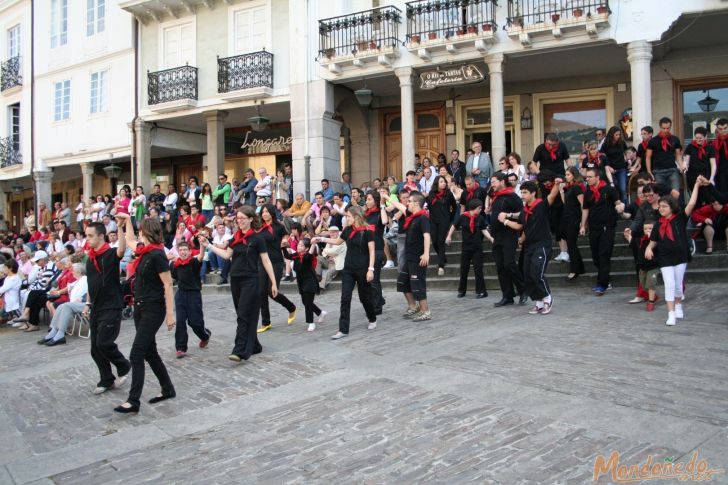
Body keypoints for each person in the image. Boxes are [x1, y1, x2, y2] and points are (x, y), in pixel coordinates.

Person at [113, 216, 175, 414]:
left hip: (153, 308)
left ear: (147, 232)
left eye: (141, 230)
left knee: (136, 353)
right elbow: (130, 240)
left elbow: (168, 284)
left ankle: (133, 400)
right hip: (139, 307)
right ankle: (168, 389)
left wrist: (170, 314)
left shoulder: (157, 255)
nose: (138, 234)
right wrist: (126, 222)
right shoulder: (143, 250)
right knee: (150, 352)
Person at [200, 206, 278, 361]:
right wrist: (208, 245)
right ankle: (254, 345)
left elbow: (266, 260)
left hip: (251, 279)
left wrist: (273, 282)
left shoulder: (257, 238)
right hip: (235, 280)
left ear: (250, 219)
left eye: (243, 218)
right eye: (238, 218)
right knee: (243, 313)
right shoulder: (235, 237)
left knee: (243, 314)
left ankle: (240, 349)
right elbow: (226, 254)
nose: (240, 221)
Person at [645, 177, 703, 326]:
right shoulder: (658, 224)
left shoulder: (680, 218)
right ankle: (670, 313)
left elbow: (691, 203)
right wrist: (649, 248)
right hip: (664, 258)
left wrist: (696, 185)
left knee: (677, 285)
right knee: (669, 284)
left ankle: (678, 304)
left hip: (680, 256)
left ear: (671, 207)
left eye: (664, 206)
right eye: (660, 206)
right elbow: (653, 241)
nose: (661, 208)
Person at [83, 216, 131, 395]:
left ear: (101, 236)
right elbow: (91, 284)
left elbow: (121, 249)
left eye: (90, 236)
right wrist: (88, 303)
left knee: (104, 343)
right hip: (96, 307)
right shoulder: (90, 259)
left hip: (111, 306)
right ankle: (107, 380)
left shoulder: (110, 254)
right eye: (86, 236)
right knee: (95, 349)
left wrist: (120, 228)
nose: (87, 239)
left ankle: (123, 365)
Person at [315, 205, 377, 339]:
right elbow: (337, 241)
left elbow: (372, 251)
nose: (346, 218)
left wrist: (370, 269)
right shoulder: (348, 229)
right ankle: (343, 329)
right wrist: (321, 239)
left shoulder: (367, 230)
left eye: (348, 216)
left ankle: (372, 318)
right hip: (348, 268)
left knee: (364, 297)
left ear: (356, 217)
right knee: (345, 298)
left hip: (363, 268)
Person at [508, 181, 554, 315]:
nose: (522, 195)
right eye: (521, 192)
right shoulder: (524, 210)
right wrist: (520, 239)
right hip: (529, 246)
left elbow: (551, 196)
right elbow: (522, 227)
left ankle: (547, 298)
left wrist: (556, 184)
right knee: (527, 274)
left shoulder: (540, 205)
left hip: (542, 245)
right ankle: (539, 302)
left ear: (533, 193)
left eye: (525, 192)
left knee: (537, 273)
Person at [388, 192, 432, 321]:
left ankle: (426, 311)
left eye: (410, 201)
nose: (407, 203)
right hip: (409, 256)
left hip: (418, 257)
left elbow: (427, 236)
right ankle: (413, 306)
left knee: (418, 283)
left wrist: (426, 253)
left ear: (416, 203)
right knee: (403, 281)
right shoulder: (412, 216)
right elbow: (399, 206)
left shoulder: (423, 218)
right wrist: (386, 198)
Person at [580, 167, 625, 296]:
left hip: (607, 227)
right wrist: (583, 225)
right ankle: (605, 279)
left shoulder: (609, 190)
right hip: (594, 227)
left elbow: (617, 202)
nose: (587, 179)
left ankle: (602, 284)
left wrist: (620, 206)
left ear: (597, 177)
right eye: (586, 177)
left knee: (604, 254)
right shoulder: (588, 192)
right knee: (596, 256)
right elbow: (585, 210)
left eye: (590, 177)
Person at [256, 204, 297, 333]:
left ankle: (291, 307)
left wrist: (284, 241)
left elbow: (286, 236)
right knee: (261, 292)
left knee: (271, 292)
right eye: (263, 212)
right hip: (262, 262)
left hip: (276, 261)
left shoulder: (278, 227)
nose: (264, 214)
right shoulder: (258, 228)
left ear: (272, 213)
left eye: (267, 212)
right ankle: (266, 322)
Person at [490, 172, 526, 307]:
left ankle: (523, 289)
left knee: (509, 263)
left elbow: (522, 214)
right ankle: (507, 295)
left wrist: (508, 216)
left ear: (502, 181)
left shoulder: (512, 196)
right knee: (500, 266)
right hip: (497, 236)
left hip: (509, 235)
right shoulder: (497, 197)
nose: (491, 184)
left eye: (494, 182)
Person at [171, 241, 211, 358]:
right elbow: (172, 278)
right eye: (181, 250)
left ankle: (205, 336)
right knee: (180, 321)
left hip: (194, 295)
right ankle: (181, 348)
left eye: (185, 250)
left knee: (195, 322)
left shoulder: (193, 262)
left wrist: (202, 246)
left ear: (189, 251)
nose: (183, 252)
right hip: (181, 295)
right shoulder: (175, 264)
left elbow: (200, 256)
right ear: (178, 251)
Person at [446, 198, 488, 299]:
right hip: (466, 247)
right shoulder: (463, 217)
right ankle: (462, 291)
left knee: (478, 269)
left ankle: (482, 291)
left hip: (477, 247)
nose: (480, 210)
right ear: (473, 208)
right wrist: (449, 236)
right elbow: (454, 226)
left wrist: (491, 238)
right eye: (479, 208)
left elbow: (484, 230)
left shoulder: (480, 218)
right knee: (464, 269)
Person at [37, 263, 87, 346]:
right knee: (61, 306)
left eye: (73, 271)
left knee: (66, 305)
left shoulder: (85, 279)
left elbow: (89, 292)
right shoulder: (77, 281)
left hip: (84, 304)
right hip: (74, 304)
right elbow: (68, 288)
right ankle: (54, 331)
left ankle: (60, 334)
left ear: (79, 272)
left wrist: (82, 298)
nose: (72, 272)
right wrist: (56, 292)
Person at [284, 238, 326, 332]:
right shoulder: (296, 255)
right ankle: (320, 313)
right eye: (298, 244)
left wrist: (313, 244)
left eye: (301, 245)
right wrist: (284, 246)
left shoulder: (308, 256)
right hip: (301, 282)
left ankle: (311, 323)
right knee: (306, 302)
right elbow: (287, 256)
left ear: (306, 248)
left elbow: (310, 254)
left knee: (307, 302)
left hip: (310, 282)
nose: (298, 246)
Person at [625, 221, 660, 311]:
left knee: (651, 284)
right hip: (642, 267)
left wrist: (651, 239)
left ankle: (651, 302)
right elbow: (633, 244)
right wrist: (628, 236)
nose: (647, 230)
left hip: (653, 266)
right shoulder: (640, 239)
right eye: (645, 228)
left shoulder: (656, 240)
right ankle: (654, 296)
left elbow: (659, 247)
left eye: (650, 228)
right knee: (644, 286)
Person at [426, 175, 457, 276]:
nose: (443, 183)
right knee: (434, 241)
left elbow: (454, 206)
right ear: (437, 184)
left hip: (444, 220)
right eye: (441, 182)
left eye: (444, 182)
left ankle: (440, 266)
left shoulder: (448, 194)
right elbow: (428, 206)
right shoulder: (431, 194)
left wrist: (450, 217)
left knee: (440, 241)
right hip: (433, 221)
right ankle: (442, 257)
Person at [560, 167, 586, 280]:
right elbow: (565, 203)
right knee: (571, 243)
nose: (566, 176)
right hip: (567, 217)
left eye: (568, 174)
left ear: (574, 175)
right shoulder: (570, 188)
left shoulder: (576, 188)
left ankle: (575, 270)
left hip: (574, 218)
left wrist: (582, 222)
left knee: (571, 243)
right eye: (566, 174)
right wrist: (561, 191)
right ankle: (579, 267)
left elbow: (583, 205)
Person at [364, 191, 388, 315]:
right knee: (367, 280)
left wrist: (382, 205)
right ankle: (380, 300)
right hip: (366, 251)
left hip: (377, 250)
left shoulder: (380, 213)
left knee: (374, 279)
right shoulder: (365, 214)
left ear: (375, 200)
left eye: (369, 199)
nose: (367, 202)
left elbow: (384, 222)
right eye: (366, 199)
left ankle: (377, 307)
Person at [645, 117, 683, 192]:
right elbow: (648, 157)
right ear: (660, 127)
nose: (666, 130)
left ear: (670, 127)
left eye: (668, 128)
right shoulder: (653, 141)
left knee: (676, 193)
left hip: (672, 170)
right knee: (661, 194)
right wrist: (649, 172)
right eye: (664, 128)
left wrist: (681, 166)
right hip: (658, 171)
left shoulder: (675, 139)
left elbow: (678, 155)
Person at [683, 126, 716, 206]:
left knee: (707, 198)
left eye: (700, 138)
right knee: (696, 199)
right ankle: (696, 216)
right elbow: (686, 160)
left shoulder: (710, 148)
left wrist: (712, 178)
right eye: (696, 138)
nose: (698, 140)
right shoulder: (690, 147)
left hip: (705, 175)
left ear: (705, 137)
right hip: (692, 176)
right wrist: (685, 165)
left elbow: (713, 164)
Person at [602, 127, 629, 203]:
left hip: (621, 168)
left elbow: (626, 152)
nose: (618, 136)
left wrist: (628, 160)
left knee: (623, 189)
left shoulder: (622, 142)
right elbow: (602, 156)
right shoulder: (605, 145)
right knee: (613, 189)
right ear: (611, 135)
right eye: (616, 134)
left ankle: (625, 209)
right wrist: (608, 167)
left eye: (619, 134)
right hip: (610, 170)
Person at [712, 118, 728, 192]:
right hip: (720, 171)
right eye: (720, 129)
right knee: (723, 192)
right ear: (717, 130)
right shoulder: (714, 143)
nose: (723, 131)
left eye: (725, 128)